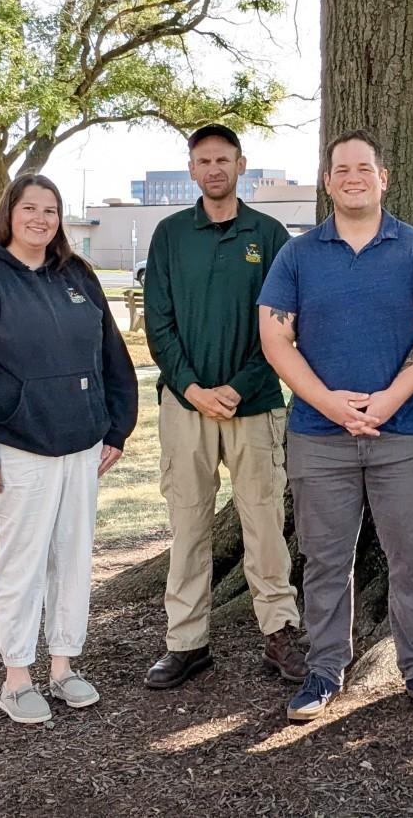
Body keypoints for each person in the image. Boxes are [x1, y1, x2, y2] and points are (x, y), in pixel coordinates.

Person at [257, 129, 413, 721]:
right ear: (327, 182)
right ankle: (324, 671)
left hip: (404, 433)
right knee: (324, 559)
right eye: (341, 169)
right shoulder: (297, 255)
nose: (353, 177)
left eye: (364, 168)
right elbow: (276, 335)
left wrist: (389, 401)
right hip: (319, 437)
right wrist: (328, 403)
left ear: (383, 178)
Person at [0, 173, 138, 724]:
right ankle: (17, 678)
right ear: (10, 213)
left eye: (50, 211)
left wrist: (118, 427)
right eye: (30, 208)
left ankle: (63, 666)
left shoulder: (77, 274)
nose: (40, 220)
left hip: (83, 446)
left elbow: (110, 355)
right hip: (18, 449)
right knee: (22, 566)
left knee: (72, 560)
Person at [141, 124, 305, 689]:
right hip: (185, 407)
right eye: (204, 160)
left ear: (241, 166)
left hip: (254, 405)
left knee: (264, 524)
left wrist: (239, 384)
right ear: (191, 169)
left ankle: (279, 634)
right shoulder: (168, 235)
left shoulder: (271, 234)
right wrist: (192, 388)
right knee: (187, 525)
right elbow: (158, 326)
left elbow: (285, 325)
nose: (214, 169)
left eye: (224, 160)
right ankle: (187, 643)